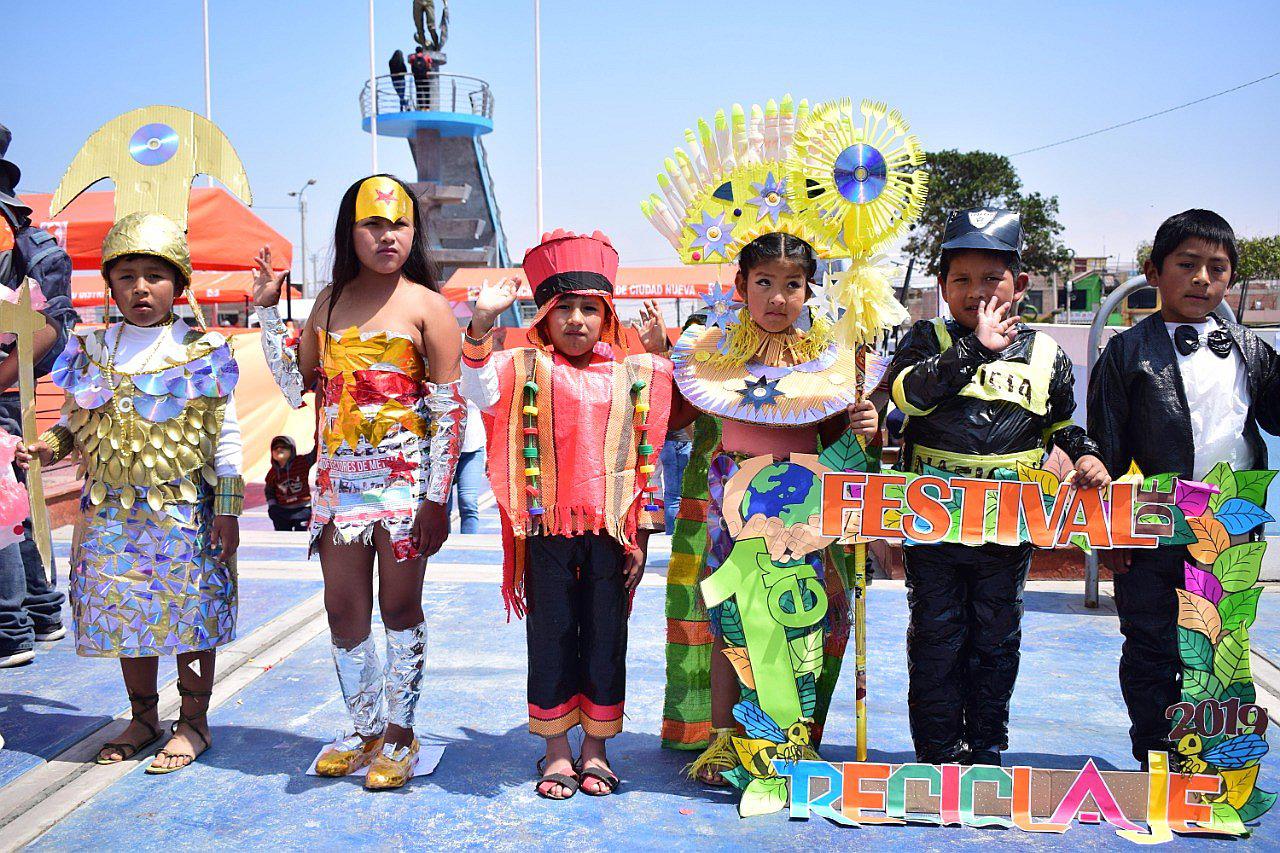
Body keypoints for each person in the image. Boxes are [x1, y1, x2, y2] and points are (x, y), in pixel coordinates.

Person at [253, 174, 463, 790]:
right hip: (338, 491)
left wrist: (435, 499)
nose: (387, 236)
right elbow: (298, 390)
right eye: (373, 224)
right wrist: (267, 312)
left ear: (414, 232)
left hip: (405, 495)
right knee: (343, 610)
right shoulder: (328, 302)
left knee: (399, 608)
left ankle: (401, 732)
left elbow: (449, 414)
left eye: (398, 224)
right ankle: (364, 726)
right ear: (351, 233)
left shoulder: (429, 307)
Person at [21, 211, 243, 773]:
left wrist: (229, 510)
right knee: (129, 612)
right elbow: (75, 422)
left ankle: (194, 721)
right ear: (110, 283)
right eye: (126, 276)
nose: (140, 288)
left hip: (184, 511)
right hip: (112, 513)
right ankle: (143, 716)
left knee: (190, 614)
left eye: (154, 275)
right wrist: (48, 447)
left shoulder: (203, 349)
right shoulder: (91, 350)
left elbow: (227, 437)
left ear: (179, 283)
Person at [887, 208, 1109, 766]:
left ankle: (986, 749)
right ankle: (937, 753)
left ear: (1020, 284)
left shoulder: (1047, 355)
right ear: (941, 287)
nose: (976, 291)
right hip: (931, 527)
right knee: (937, 638)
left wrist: (1087, 456)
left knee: (996, 640)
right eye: (961, 279)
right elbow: (908, 397)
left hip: (1008, 532)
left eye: (991, 278)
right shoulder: (926, 339)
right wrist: (972, 350)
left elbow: (1061, 425)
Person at [461, 229, 672, 799]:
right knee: (550, 634)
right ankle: (556, 750)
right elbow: (476, 391)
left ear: (607, 317)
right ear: (544, 316)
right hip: (546, 529)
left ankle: (596, 749)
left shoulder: (637, 373)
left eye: (589, 308)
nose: (577, 319)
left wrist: (664, 353)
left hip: (611, 533)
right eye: (565, 309)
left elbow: (655, 447)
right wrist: (481, 323)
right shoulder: (518, 366)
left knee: (607, 635)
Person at [1088, 209, 1280, 767]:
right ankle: (1155, 758)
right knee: (1151, 647)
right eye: (1186, 264)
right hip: (1154, 527)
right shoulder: (1124, 353)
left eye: (1216, 268)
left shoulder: (1253, 349)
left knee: (1222, 650)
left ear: (1231, 278)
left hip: (1232, 528)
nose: (1201, 278)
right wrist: (1108, 522)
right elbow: (1104, 447)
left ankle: (1211, 765)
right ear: (1153, 271)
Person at [0, 123, 79, 669]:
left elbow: (53, 321)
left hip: (9, 383)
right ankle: (40, 610)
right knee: (13, 502)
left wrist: (7, 373)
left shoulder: (23, 239)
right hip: (11, 381)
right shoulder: (24, 233)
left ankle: (12, 627)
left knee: (6, 503)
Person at [446, 398, 485, 533]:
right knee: (442, 505)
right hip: (445, 451)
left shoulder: (477, 378)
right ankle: (443, 548)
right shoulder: (440, 378)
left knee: (468, 501)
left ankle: (470, 545)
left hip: (473, 448)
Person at [264, 435, 315, 532]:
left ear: (292, 449)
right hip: (281, 512)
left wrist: (320, 436)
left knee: (302, 538)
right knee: (282, 539)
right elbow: (269, 491)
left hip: (302, 509)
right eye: (275, 448)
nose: (279, 449)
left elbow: (316, 452)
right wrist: (272, 507)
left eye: (284, 446)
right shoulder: (272, 473)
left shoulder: (302, 462)